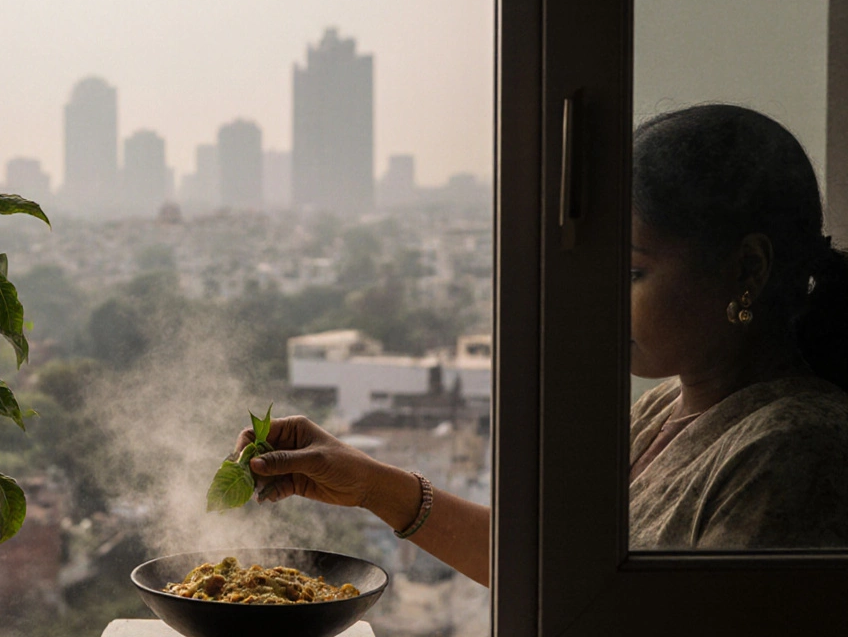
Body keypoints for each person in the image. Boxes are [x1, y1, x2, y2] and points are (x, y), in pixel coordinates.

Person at [236, 105, 848, 588]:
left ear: (747, 268)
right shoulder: (668, 408)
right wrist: (368, 484)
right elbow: (555, 577)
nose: (602, 297)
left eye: (632, 273)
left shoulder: (794, 451)